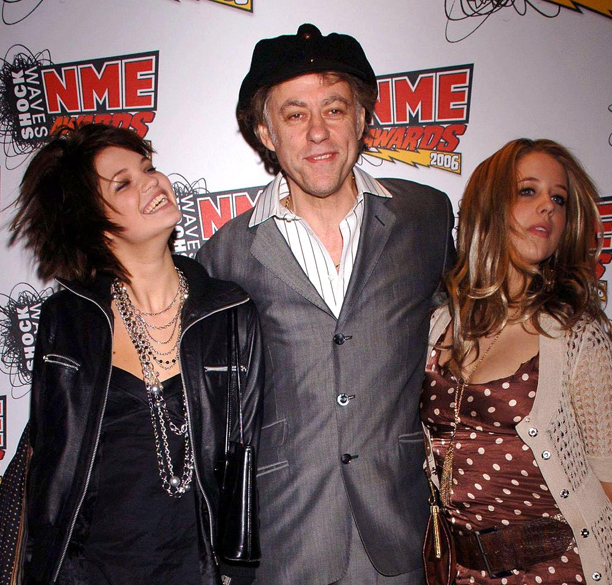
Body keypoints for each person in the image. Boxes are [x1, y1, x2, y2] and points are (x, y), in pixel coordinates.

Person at [196, 23, 456, 585]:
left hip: (401, 530)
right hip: (287, 538)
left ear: (361, 119)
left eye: (334, 109)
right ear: (265, 131)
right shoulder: (224, 256)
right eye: (295, 114)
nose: (318, 133)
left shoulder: (425, 218)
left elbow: (465, 327)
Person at [0, 123, 264, 585]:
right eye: (124, 182)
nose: (152, 181)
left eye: (149, 168)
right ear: (92, 218)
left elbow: (248, 454)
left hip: (201, 573)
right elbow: (53, 466)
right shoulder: (68, 321)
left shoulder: (229, 313)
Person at [422, 138, 612, 584]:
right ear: (489, 204)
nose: (547, 207)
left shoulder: (576, 335)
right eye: (528, 191)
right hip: (458, 572)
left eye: (559, 200)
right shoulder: (436, 326)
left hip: (557, 572)